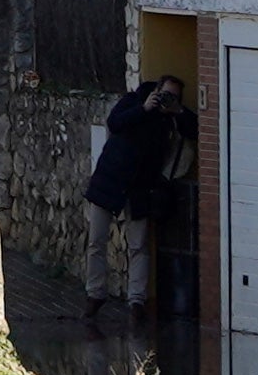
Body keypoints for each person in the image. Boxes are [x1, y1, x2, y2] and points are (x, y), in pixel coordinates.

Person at [81, 73, 192, 319]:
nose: (166, 100)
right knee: (96, 240)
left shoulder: (170, 119)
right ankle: (95, 294)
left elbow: (194, 128)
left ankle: (136, 302)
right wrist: (144, 109)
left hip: (142, 186)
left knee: (139, 245)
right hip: (110, 179)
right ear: (156, 90)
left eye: (173, 97)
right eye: (164, 95)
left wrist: (177, 111)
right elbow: (115, 123)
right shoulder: (134, 101)